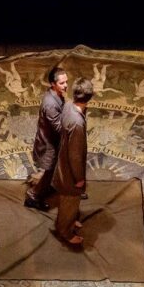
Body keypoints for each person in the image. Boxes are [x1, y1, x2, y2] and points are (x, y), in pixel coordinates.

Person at [51, 78, 94, 245]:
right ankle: (65, 231)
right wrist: (79, 179)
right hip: (70, 172)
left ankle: (70, 219)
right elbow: (75, 156)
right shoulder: (77, 124)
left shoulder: (68, 105)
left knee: (69, 201)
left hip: (63, 161)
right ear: (90, 97)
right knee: (70, 199)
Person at [25, 67, 68, 211]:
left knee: (54, 169)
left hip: (53, 142)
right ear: (53, 84)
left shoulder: (57, 95)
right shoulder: (50, 104)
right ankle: (33, 196)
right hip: (49, 145)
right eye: (62, 83)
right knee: (49, 171)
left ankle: (52, 185)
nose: (66, 85)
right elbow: (59, 128)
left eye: (66, 82)